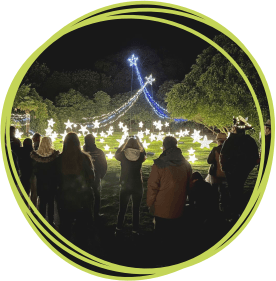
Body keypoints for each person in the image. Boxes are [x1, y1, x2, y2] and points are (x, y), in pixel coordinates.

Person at [147, 136, 192, 245]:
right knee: (174, 237)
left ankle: (161, 258)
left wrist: (150, 204)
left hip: (161, 209)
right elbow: (189, 185)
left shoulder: (159, 164)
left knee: (161, 236)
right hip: (179, 206)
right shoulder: (185, 164)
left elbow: (152, 187)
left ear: (164, 147)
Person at [56, 132, 95, 241]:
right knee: (82, 228)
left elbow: (56, 178)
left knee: (65, 226)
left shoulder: (59, 159)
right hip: (82, 197)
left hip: (65, 197)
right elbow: (91, 177)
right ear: (78, 143)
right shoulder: (85, 158)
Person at [220, 116, 259, 220]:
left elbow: (222, 155)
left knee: (234, 189)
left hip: (232, 170)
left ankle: (235, 212)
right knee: (238, 188)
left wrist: (224, 166)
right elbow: (255, 157)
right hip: (243, 169)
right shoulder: (249, 140)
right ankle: (238, 210)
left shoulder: (230, 140)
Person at [115, 136, 146, 235]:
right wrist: (140, 144)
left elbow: (116, 154)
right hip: (137, 184)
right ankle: (135, 229)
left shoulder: (123, 155)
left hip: (125, 184)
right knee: (136, 208)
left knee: (122, 208)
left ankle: (119, 227)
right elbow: (145, 154)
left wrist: (123, 144)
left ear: (126, 144)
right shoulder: (140, 156)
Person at [30, 137, 60, 226]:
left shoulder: (35, 157)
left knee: (42, 202)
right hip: (52, 182)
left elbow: (34, 170)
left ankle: (42, 220)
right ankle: (51, 221)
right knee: (51, 202)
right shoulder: (55, 156)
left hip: (41, 182)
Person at [83, 134, 107, 219]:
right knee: (96, 196)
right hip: (95, 177)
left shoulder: (82, 152)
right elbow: (104, 165)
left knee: (86, 196)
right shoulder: (99, 152)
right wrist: (100, 176)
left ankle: (88, 214)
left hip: (84, 179)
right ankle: (96, 213)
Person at [206, 133, 227, 211]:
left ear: (218, 141)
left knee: (214, 191)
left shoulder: (215, 149)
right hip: (226, 174)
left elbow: (209, 161)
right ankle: (224, 207)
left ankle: (215, 207)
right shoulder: (229, 150)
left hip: (215, 174)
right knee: (224, 191)